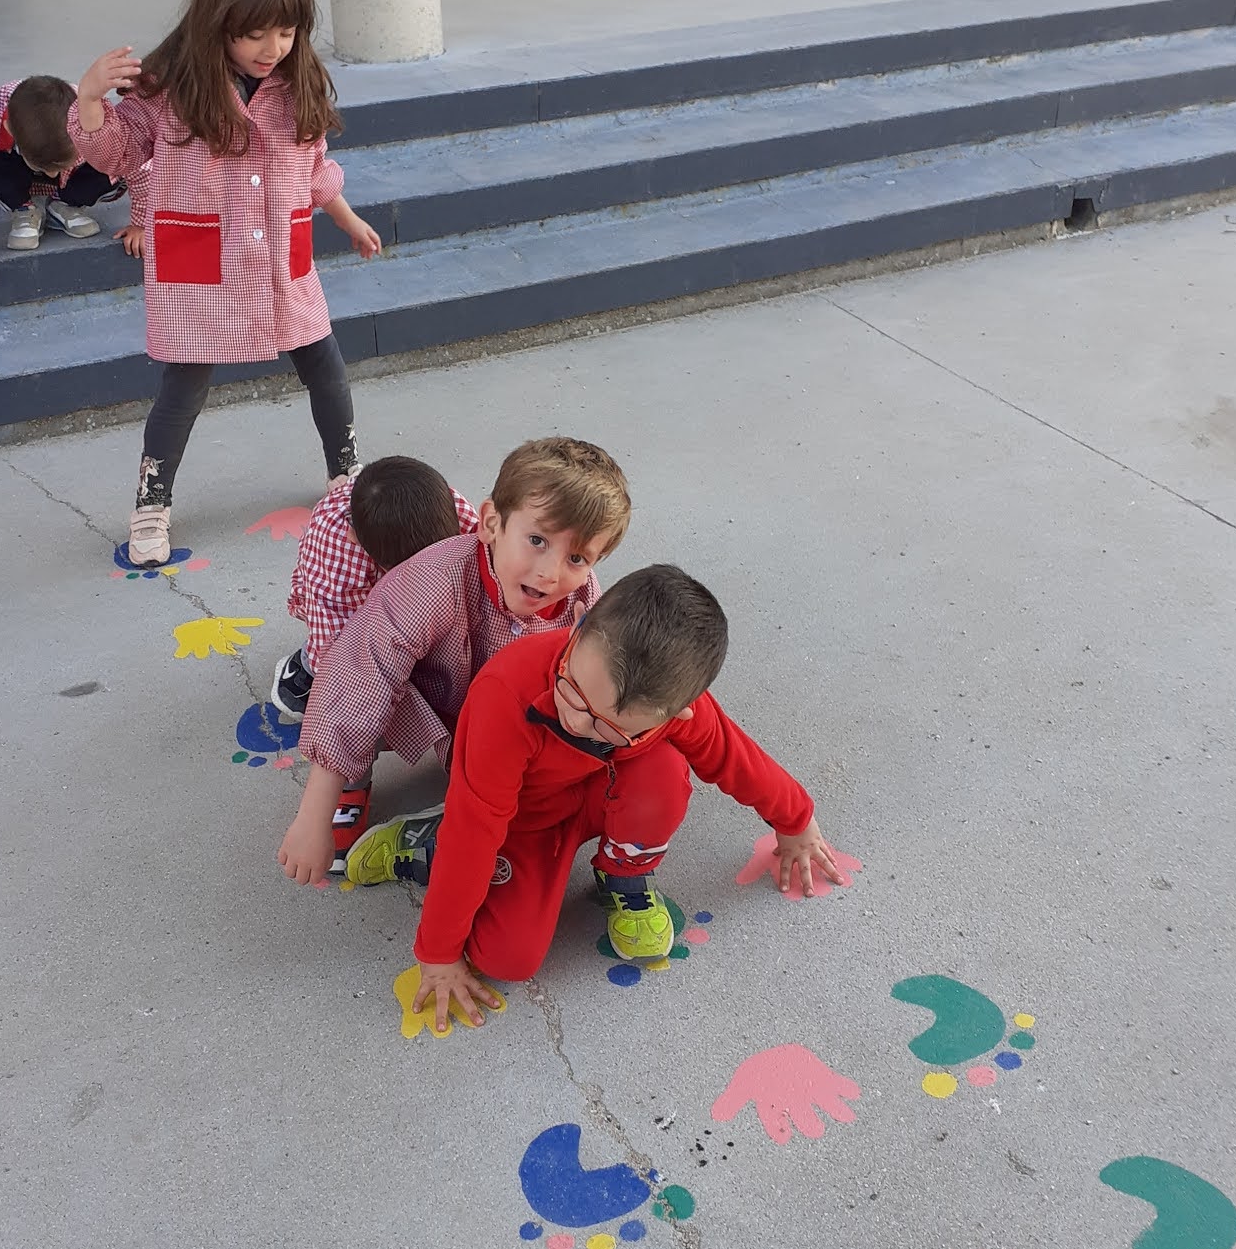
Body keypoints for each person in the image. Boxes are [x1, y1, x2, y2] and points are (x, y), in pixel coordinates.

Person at [345, 564, 848, 1033]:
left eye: (609, 727)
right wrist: (437, 952)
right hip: (521, 820)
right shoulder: (506, 692)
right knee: (507, 959)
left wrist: (796, 823)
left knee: (664, 774)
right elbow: (475, 834)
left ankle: (623, 875)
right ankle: (426, 841)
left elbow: (735, 758)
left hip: (602, 796)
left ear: (678, 713)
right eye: (573, 693)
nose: (577, 723)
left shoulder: (674, 707)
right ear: (579, 625)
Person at [69, 0, 382, 568]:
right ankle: (151, 503)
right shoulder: (167, 90)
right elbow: (115, 154)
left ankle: (346, 475)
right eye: (255, 33)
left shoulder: (296, 82)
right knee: (183, 386)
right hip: (201, 270)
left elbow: (314, 165)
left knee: (325, 367)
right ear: (219, 21)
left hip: (281, 265)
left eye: (287, 32)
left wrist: (348, 219)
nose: (273, 48)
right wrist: (89, 98)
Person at [277, 436, 630, 883]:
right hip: (421, 694)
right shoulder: (430, 581)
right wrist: (313, 815)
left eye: (577, 557)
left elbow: (605, 667)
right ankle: (350, 782)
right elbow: (360, 673)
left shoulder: (581, 596)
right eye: (537, 540)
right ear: (491, 524)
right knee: (361, 692)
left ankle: (438, 827)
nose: (550, 572)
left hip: (491, 716)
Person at [270, 453, 480, 721]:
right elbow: (337, 648)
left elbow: (489, 570)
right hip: (340, 606)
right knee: (353, 694)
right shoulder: (336, 555)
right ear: (356, 538)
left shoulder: (451, 510)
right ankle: (303, 669)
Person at [0, 75, 150, 285]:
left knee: (117, 162)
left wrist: (141, 224)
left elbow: (138, 162)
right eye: (46, 169)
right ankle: (22, 206)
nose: (52, 176)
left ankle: (64, 204)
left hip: (80, 164)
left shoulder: (96, 117)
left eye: (58, 168)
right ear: (9, 128)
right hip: (14, 166)